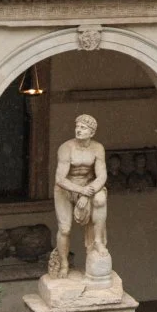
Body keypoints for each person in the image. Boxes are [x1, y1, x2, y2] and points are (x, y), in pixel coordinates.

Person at [48, 114, 109, 278]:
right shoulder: (66, 148)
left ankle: (97, 241)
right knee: (65, 228)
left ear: (92, 132)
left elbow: (102, 176)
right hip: (66, 188)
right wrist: (80, 191)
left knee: (100, 198)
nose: (78, 130)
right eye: (78, 127)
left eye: (83, 128)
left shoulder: (97, 148)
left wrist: (87, 192)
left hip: (87, 186)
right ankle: (64, 264)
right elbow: (59, 179)